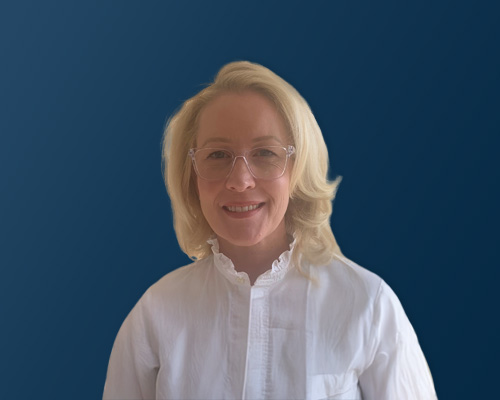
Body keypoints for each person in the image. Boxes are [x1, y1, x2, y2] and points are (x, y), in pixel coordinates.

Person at [103, 61, 437, 399]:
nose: (240, 180)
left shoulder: (367, 305)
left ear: (299, 168)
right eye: (217, 155)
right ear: (191, 175)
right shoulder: (155, 314)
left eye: (265, 153)